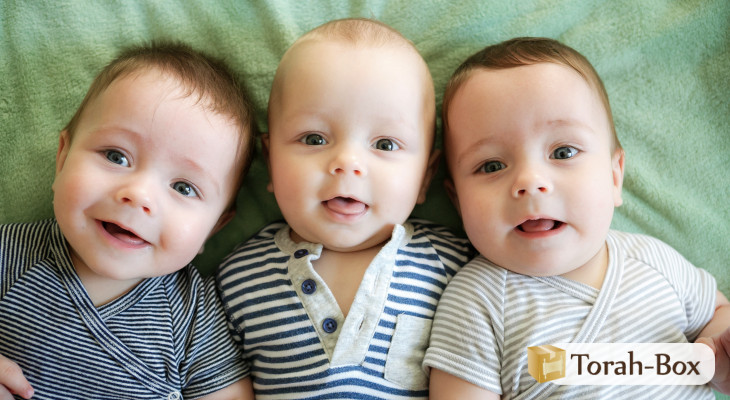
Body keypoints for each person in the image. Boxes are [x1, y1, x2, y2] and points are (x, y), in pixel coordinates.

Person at [422, 37, 730, 399]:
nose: (530, 181)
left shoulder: (656, 263)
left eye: (563, 152)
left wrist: (717, 354)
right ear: (458, 202)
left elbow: (717, 311)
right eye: (491, 165)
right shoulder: (477, 303)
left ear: (614, 177)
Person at [216, 18, 473, 399]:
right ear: (270, 162)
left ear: (425, 177)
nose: (347, 162)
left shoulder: (456, 265)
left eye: (385, 144)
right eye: (314, 138)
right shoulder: (235, 279)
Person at [0, 42, 257, 400]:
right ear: (62, 158)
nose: (139, 195)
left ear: (212, 229)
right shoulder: (9, 254)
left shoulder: (193, 316)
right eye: (116, 156)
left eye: (183, 188)